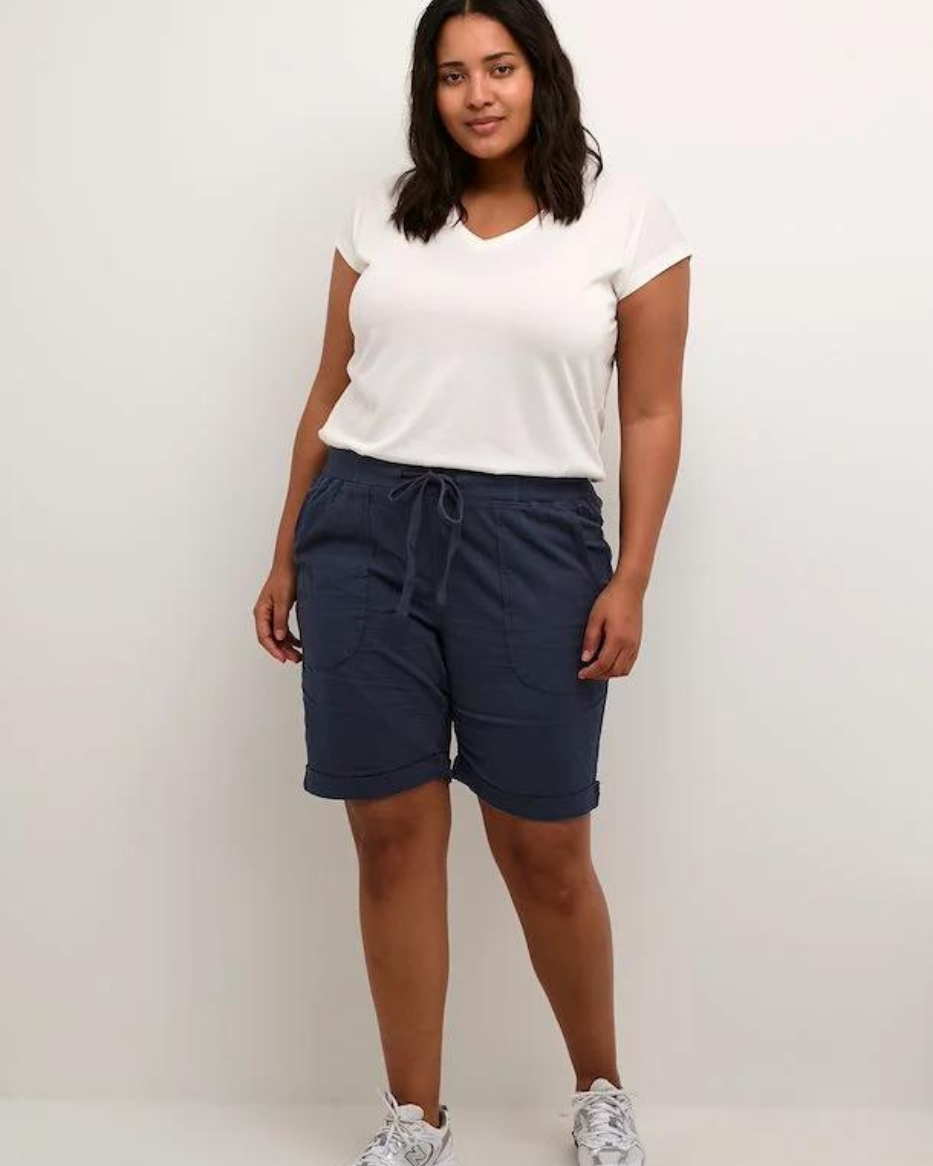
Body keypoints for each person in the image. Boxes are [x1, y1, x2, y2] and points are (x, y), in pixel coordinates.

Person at [253, 2, 692, 1163]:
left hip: (536, 541)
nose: (478, 94)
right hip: (363, 529)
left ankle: (600, 1088)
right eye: (452, 75)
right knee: (392, 835)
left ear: (541, 73)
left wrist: (634, 574)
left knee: (545, 845)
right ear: (429, 91)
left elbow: (651, 410)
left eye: (499, 67)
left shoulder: (625, 219)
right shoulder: (383, 215)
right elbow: (329, 387)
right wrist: (287, 546)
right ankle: (415, 1114)